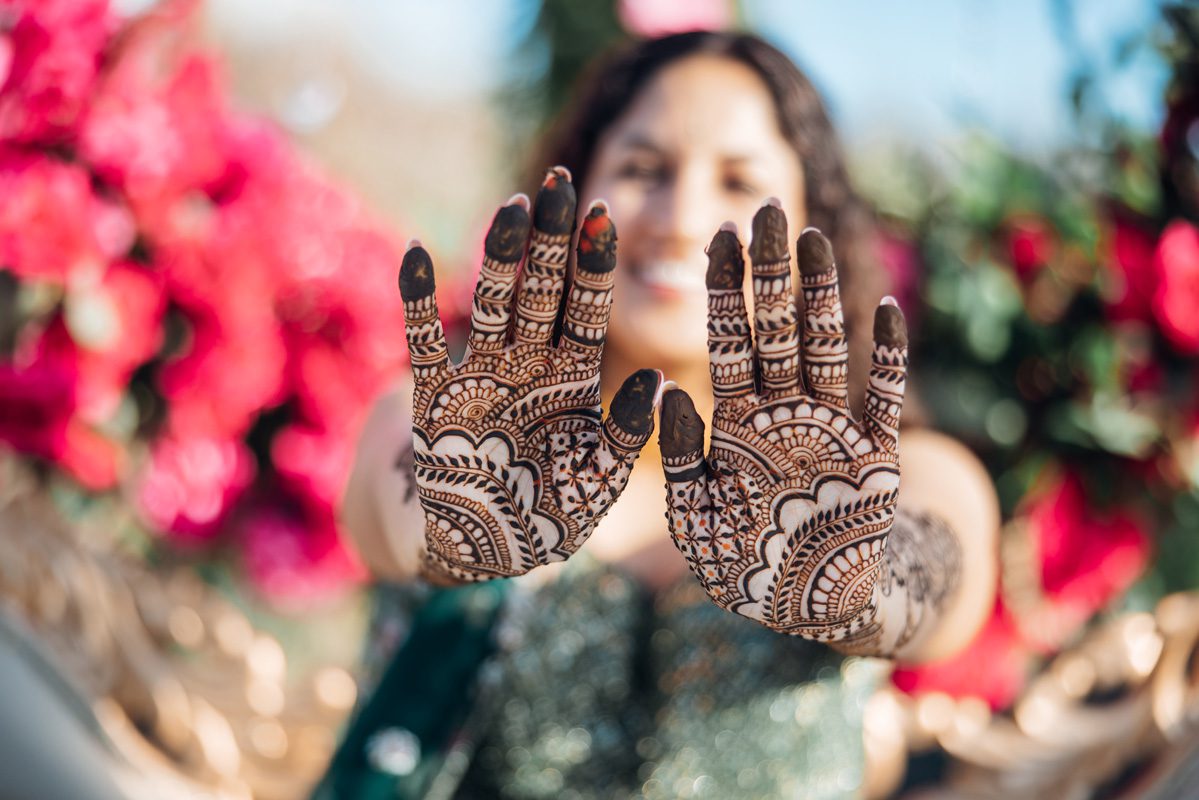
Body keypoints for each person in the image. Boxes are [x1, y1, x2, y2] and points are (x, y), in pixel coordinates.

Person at [323, 31, 999, 800]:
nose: (682, 219)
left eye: (739, 182)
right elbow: (412, 523)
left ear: (815, 225)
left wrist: (825, 561)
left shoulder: (906, 469)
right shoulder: (439, 414)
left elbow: (933, 590)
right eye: (643, 169)